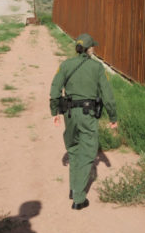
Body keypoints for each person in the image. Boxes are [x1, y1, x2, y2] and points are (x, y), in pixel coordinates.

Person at [49, 33, 117, 210]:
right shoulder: (97, 67)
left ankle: (74, 189)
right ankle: (79, 199)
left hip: (70, 114)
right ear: (89, 49)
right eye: (92, 46)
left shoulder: (65, 65)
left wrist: (55, 112)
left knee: (73, 150)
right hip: (88, 115)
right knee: (87, 153)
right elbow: (107, 95)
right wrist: (113, 117)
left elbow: (55, 90)